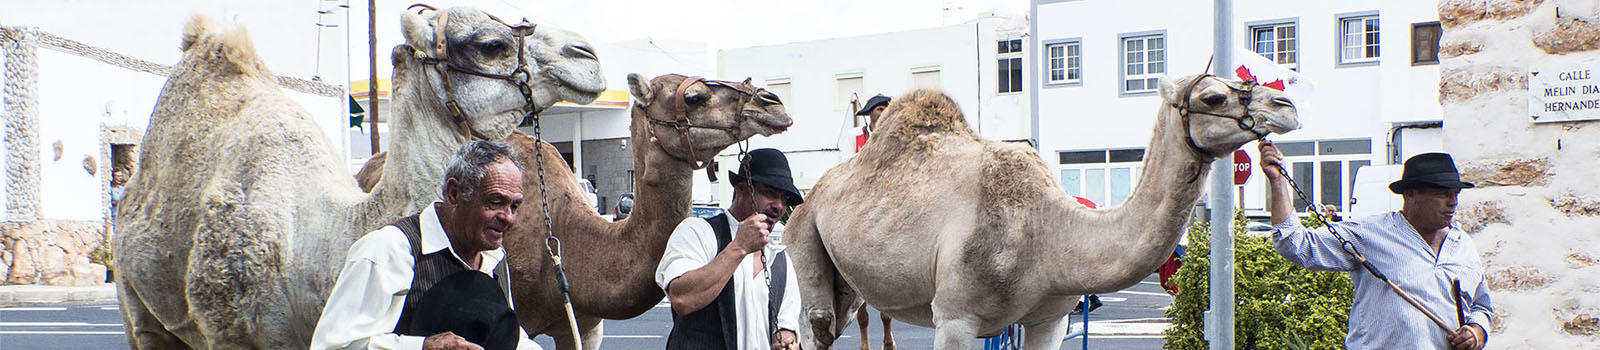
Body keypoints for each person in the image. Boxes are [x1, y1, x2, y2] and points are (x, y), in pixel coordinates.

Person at [1261, 142, 1491, 350]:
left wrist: (1476, 332)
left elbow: (1482, 307)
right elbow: (1294, 244)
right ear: (1411, 195)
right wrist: (1277, 181)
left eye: (1455, 194)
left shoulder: (1463, 246)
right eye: (1442, 194)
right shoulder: (1369, 234)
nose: (1453, 202)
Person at [311, 141, 540, 350]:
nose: (508, 217)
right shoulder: (388, 250)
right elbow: (332, 346)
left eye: (514, 206)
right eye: (495, 202)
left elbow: (510, 339)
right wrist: (422, 347)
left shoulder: (494, 259)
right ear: (454, 193)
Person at [656, 148, 803, 350]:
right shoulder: (698, 232)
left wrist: (786, 338)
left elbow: (787, 323)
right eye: (769, 192)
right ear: (740, 190)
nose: (778, 205)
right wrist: (739, 247)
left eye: (785, 199)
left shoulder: (779, 259)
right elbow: (683, 299)